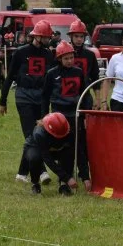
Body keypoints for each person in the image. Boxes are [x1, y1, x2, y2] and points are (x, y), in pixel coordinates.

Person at [0, 19, 55, 184]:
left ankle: (22, 173)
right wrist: (3, 101)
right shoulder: (21, 53)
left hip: (41, 98)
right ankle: (42, 171)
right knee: (32, 134)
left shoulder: (49, 55)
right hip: (24, 96)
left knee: (38, 134)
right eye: (46, 37)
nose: (48, 39)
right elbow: (9, 78)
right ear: (37, 37)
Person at [41, 40, 90, 189]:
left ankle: (84, 176)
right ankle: (64, 178)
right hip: (58, 116)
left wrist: (86, 113)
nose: (69, 61)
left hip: (75, 114)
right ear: (59, 59)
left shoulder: (79, 72)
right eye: (66, 58)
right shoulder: (51, 74)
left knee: (78, 146)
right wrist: (44, 116)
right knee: (63, 148)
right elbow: (45, 97)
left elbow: (85, 94)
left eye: (71, 58)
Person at [24, 112, 77, 196]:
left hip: (55, 149)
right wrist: (68, 178)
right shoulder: (39, 134)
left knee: (68, 154)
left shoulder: (68, 130)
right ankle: (35, 184)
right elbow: (47, 159)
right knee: (34, 158)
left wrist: (85, 178)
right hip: (36, 148)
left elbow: (76, 152)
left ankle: (63, 185)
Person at [68, 19, 100, 109]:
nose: (79, 39)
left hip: (85, 96)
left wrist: (98, 98)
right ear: (71, 36)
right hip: (67, 97)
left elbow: (95, 77)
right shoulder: (64, 54)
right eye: (76, 36)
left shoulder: (90, 55)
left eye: (81, 36)